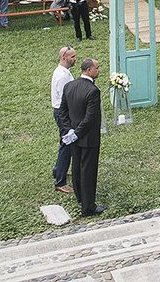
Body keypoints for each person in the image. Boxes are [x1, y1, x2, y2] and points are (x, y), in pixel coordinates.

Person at [59, 57, 104, 216]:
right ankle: (88, 207)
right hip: (88, 138)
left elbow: (62, 112)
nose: (98, 71)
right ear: (89, 70)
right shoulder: (92, 91)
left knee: (77, 167)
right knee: (88, 171)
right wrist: (77, 133)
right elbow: (90, 117)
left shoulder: (69, 86)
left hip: (74, 137)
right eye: (97, 68)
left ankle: (80, 196)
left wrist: (69, 130)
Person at [50, 46, 77, 194]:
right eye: (72, 57)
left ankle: (59, 169)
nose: (75, 59)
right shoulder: (62, 76)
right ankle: (60, 181)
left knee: (64, 142)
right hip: (63, 113)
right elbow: (65, 97)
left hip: (62, 112)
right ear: (63, 58)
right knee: (67, 144)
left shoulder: (64, 73)